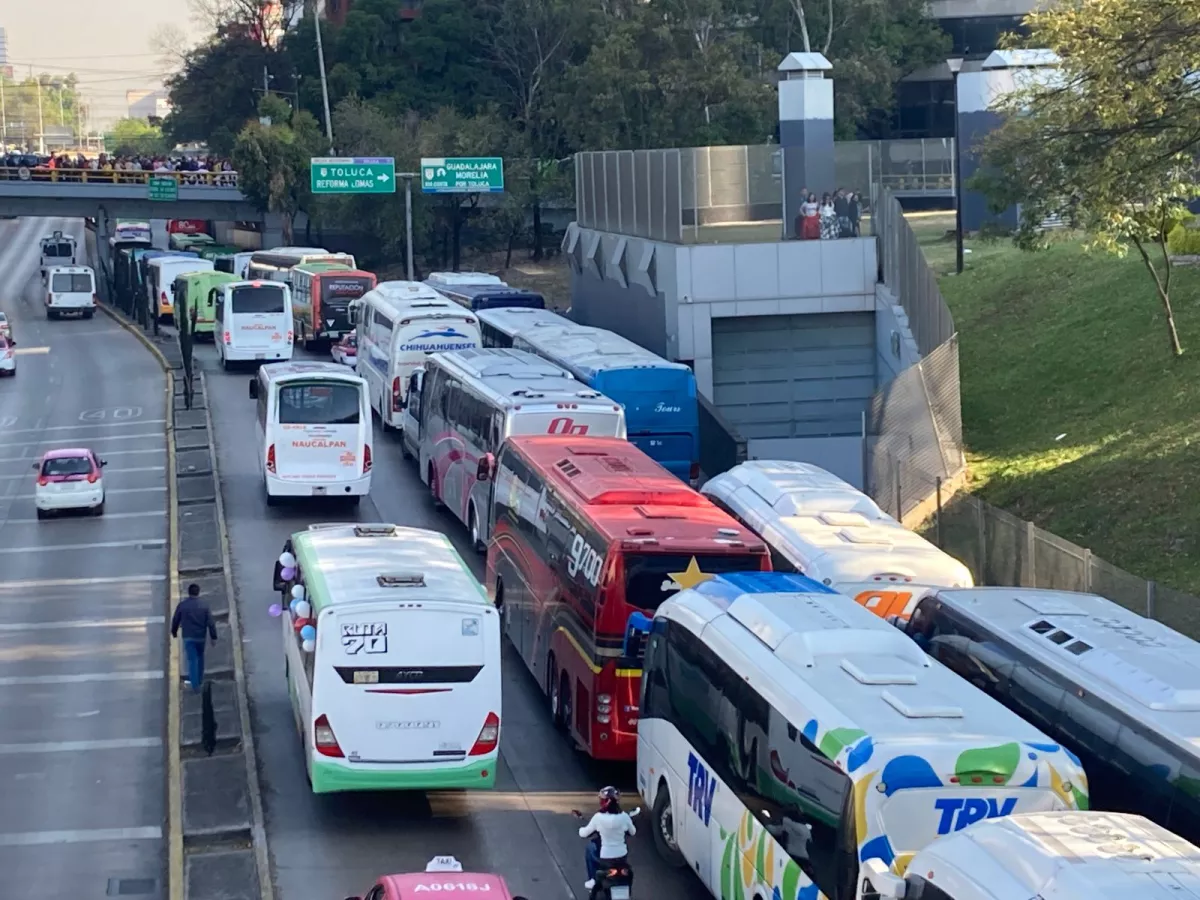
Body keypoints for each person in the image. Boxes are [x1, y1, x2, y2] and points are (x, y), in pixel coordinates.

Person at [578, 786, 636, 891]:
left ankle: (593, 879)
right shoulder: (624, 817)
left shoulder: (598, 817)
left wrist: (580, 829)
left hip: (606, 858)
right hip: (622, 857)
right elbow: (633, 832)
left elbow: (583, 834)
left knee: (590, 848)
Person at [170, 583, 218, 692]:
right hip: (201, 636)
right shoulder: (205, 605)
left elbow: (176, 619)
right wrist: (213, 637)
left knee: (192, 660)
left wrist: (174, 631)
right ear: (198, 592)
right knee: (200, 658)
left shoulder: (182, 605)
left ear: (189, 592)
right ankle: (199, 680)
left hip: (188, 636)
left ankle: (195, 685)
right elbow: (211, 622)